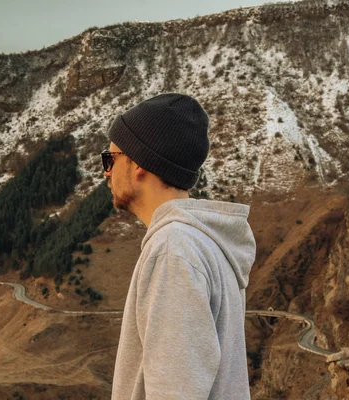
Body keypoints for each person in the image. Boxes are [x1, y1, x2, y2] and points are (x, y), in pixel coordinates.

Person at [102, 93, 256, 400]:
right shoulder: (205, 242)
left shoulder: (174, 250)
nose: (106, 171)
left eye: (110, 159)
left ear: (139, 165)